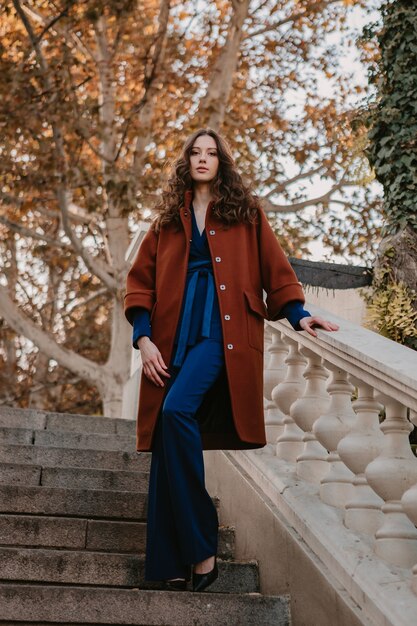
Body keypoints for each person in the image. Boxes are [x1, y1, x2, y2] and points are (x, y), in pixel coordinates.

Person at [123, 128, 339, 593]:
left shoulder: (247, 213)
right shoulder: (166, 221)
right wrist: (143, 339)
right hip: (169, 337)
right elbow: (139, 284)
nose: (203, 159)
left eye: (211, 153)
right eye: (195, 153)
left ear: (222, 162)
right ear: (186, 162)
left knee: (178, 411)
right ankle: (168, 565)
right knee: (166, 434)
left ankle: (203, 547)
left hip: (222, 334)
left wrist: (299, 315)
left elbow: (275, 271)